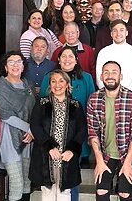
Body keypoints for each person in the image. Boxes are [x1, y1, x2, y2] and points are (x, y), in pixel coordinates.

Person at [87, 60, 132, 201]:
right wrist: (99, 161)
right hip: (105, 155)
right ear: (101, 77)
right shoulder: (94, 99)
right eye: (106, 72)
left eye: (114, 72)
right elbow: (93, 132)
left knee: (124, 192)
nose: (110, 75)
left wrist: (128, 163)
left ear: (120, 76)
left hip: (128, 155)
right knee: (101, 190)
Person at [29, 69, 87, 201]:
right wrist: (49, 147)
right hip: (46, 155)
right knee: (47, 193)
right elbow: (35, 127)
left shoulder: (76, 105)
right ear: (49, 85)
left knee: (64, 194)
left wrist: (72, 150)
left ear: (67, 84)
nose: (57, 84)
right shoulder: (42, 103)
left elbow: (82, 130)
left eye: (61, 81)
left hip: (66, 157)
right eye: (53, 81)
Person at [0, 51, 36, 201]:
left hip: (28, 138)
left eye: (18, 61)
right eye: (11, 62)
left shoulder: (28, 85)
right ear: (5, 67)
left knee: (26, 181)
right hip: (9, 137)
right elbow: (5, 114)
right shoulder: (0, 86)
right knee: (16, 182)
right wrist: (30, 128)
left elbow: (34, 110)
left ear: (23, 66)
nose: (15, 65)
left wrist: (32, 131)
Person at [96, 19, 132, 94]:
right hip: (107, 95)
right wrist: (110, 93)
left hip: (129, 96)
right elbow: (99, 78)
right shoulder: (103, 52)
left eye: (121, 30)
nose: (118, 33)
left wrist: (125, 95)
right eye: (115, 31)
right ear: (111, 34)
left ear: (126, 33)